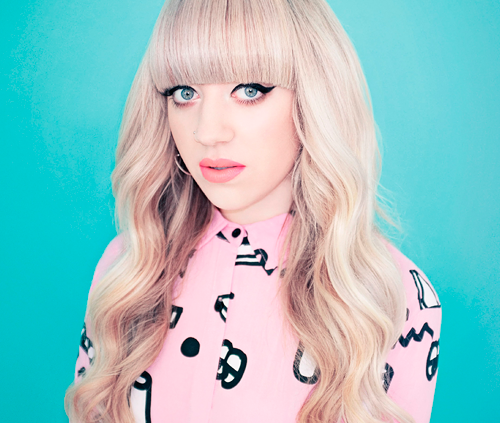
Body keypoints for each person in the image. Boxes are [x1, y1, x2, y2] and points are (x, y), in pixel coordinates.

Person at [65, 0, 442, 422]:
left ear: (316, 97)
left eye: (249, 90)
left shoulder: (391, 295)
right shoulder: (128, 268)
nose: (208, 131)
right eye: (185, 93)